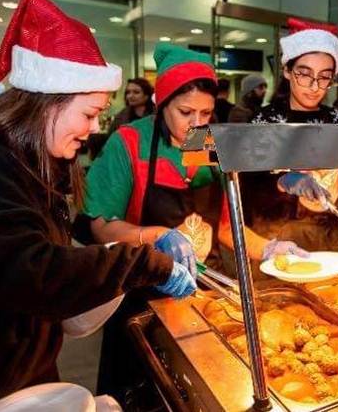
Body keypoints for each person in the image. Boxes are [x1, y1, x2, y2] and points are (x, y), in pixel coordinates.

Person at [0, 0, 195, 410]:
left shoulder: (33, 160)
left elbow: (45, 265)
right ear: (46, 104)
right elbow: (27, 271)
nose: (93, 127)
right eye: (88, 113)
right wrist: (143, 260)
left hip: (13, 370)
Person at [78, 43, 221, 407]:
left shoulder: (200, 140)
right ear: (162, 104)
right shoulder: (130, 141)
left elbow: (215, 213)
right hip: (138, 291)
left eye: (207, 113)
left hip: (194, 291)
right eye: (186, 111)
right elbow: (100, 227)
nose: (197, 123)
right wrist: (155, 236)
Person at [218, 18, 338, 271]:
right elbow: (246, 189)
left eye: (324, 77)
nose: (314, 86)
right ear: (288, 71)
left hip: (331, 244)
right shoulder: (263, 121)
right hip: (277, 239)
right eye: (304, 74)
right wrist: (283, 181)